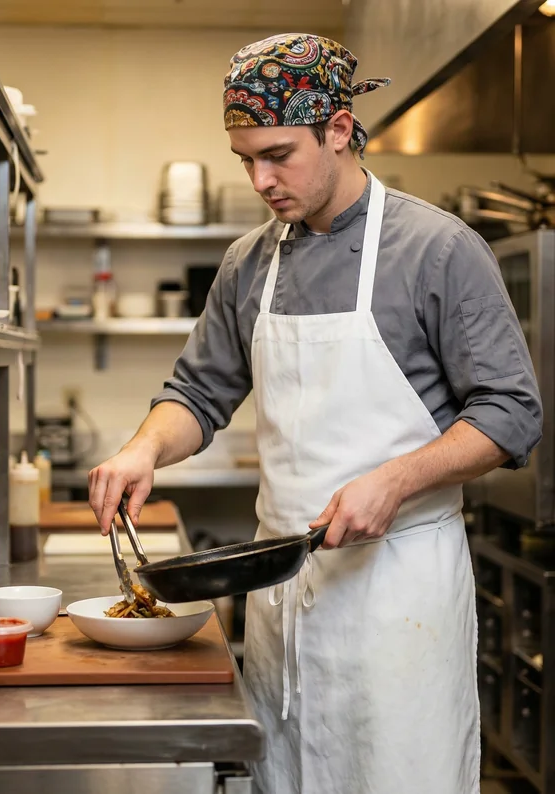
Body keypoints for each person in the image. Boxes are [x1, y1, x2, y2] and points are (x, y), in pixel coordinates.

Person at [89, 33, 542, 794]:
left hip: (399, 601)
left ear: (338, 129)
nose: (260, 180)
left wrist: (395, 481)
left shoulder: (438, 251)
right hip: (283, 604)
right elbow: (198, 395)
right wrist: (143, 449)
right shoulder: (249, 264)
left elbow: (512, 412)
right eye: (244, 160)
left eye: (278, 154)